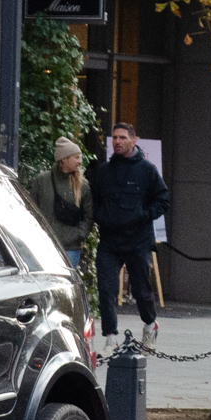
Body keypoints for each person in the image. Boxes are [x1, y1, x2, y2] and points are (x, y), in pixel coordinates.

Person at [89, 121, 169, 345]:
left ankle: (150, 324)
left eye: (123, 137)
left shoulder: (147, 170)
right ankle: (110, 336)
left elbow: (163, 200)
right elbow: (92, 201)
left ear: (134, 141)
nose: (117, 141)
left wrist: (143, 215)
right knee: (106, 289)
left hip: (137, 241)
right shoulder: (104, 172)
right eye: (114, 137)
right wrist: (101, 216)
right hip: (110, 240)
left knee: (142, 290)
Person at [25, 137, 95, 269]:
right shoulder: (42, 180)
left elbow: (89, 215)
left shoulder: (83, 185)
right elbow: (30, 210)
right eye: (76, 157)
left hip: (70, 248)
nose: (80, 162)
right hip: (43, 245)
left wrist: (79, 235)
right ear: (64, 159)